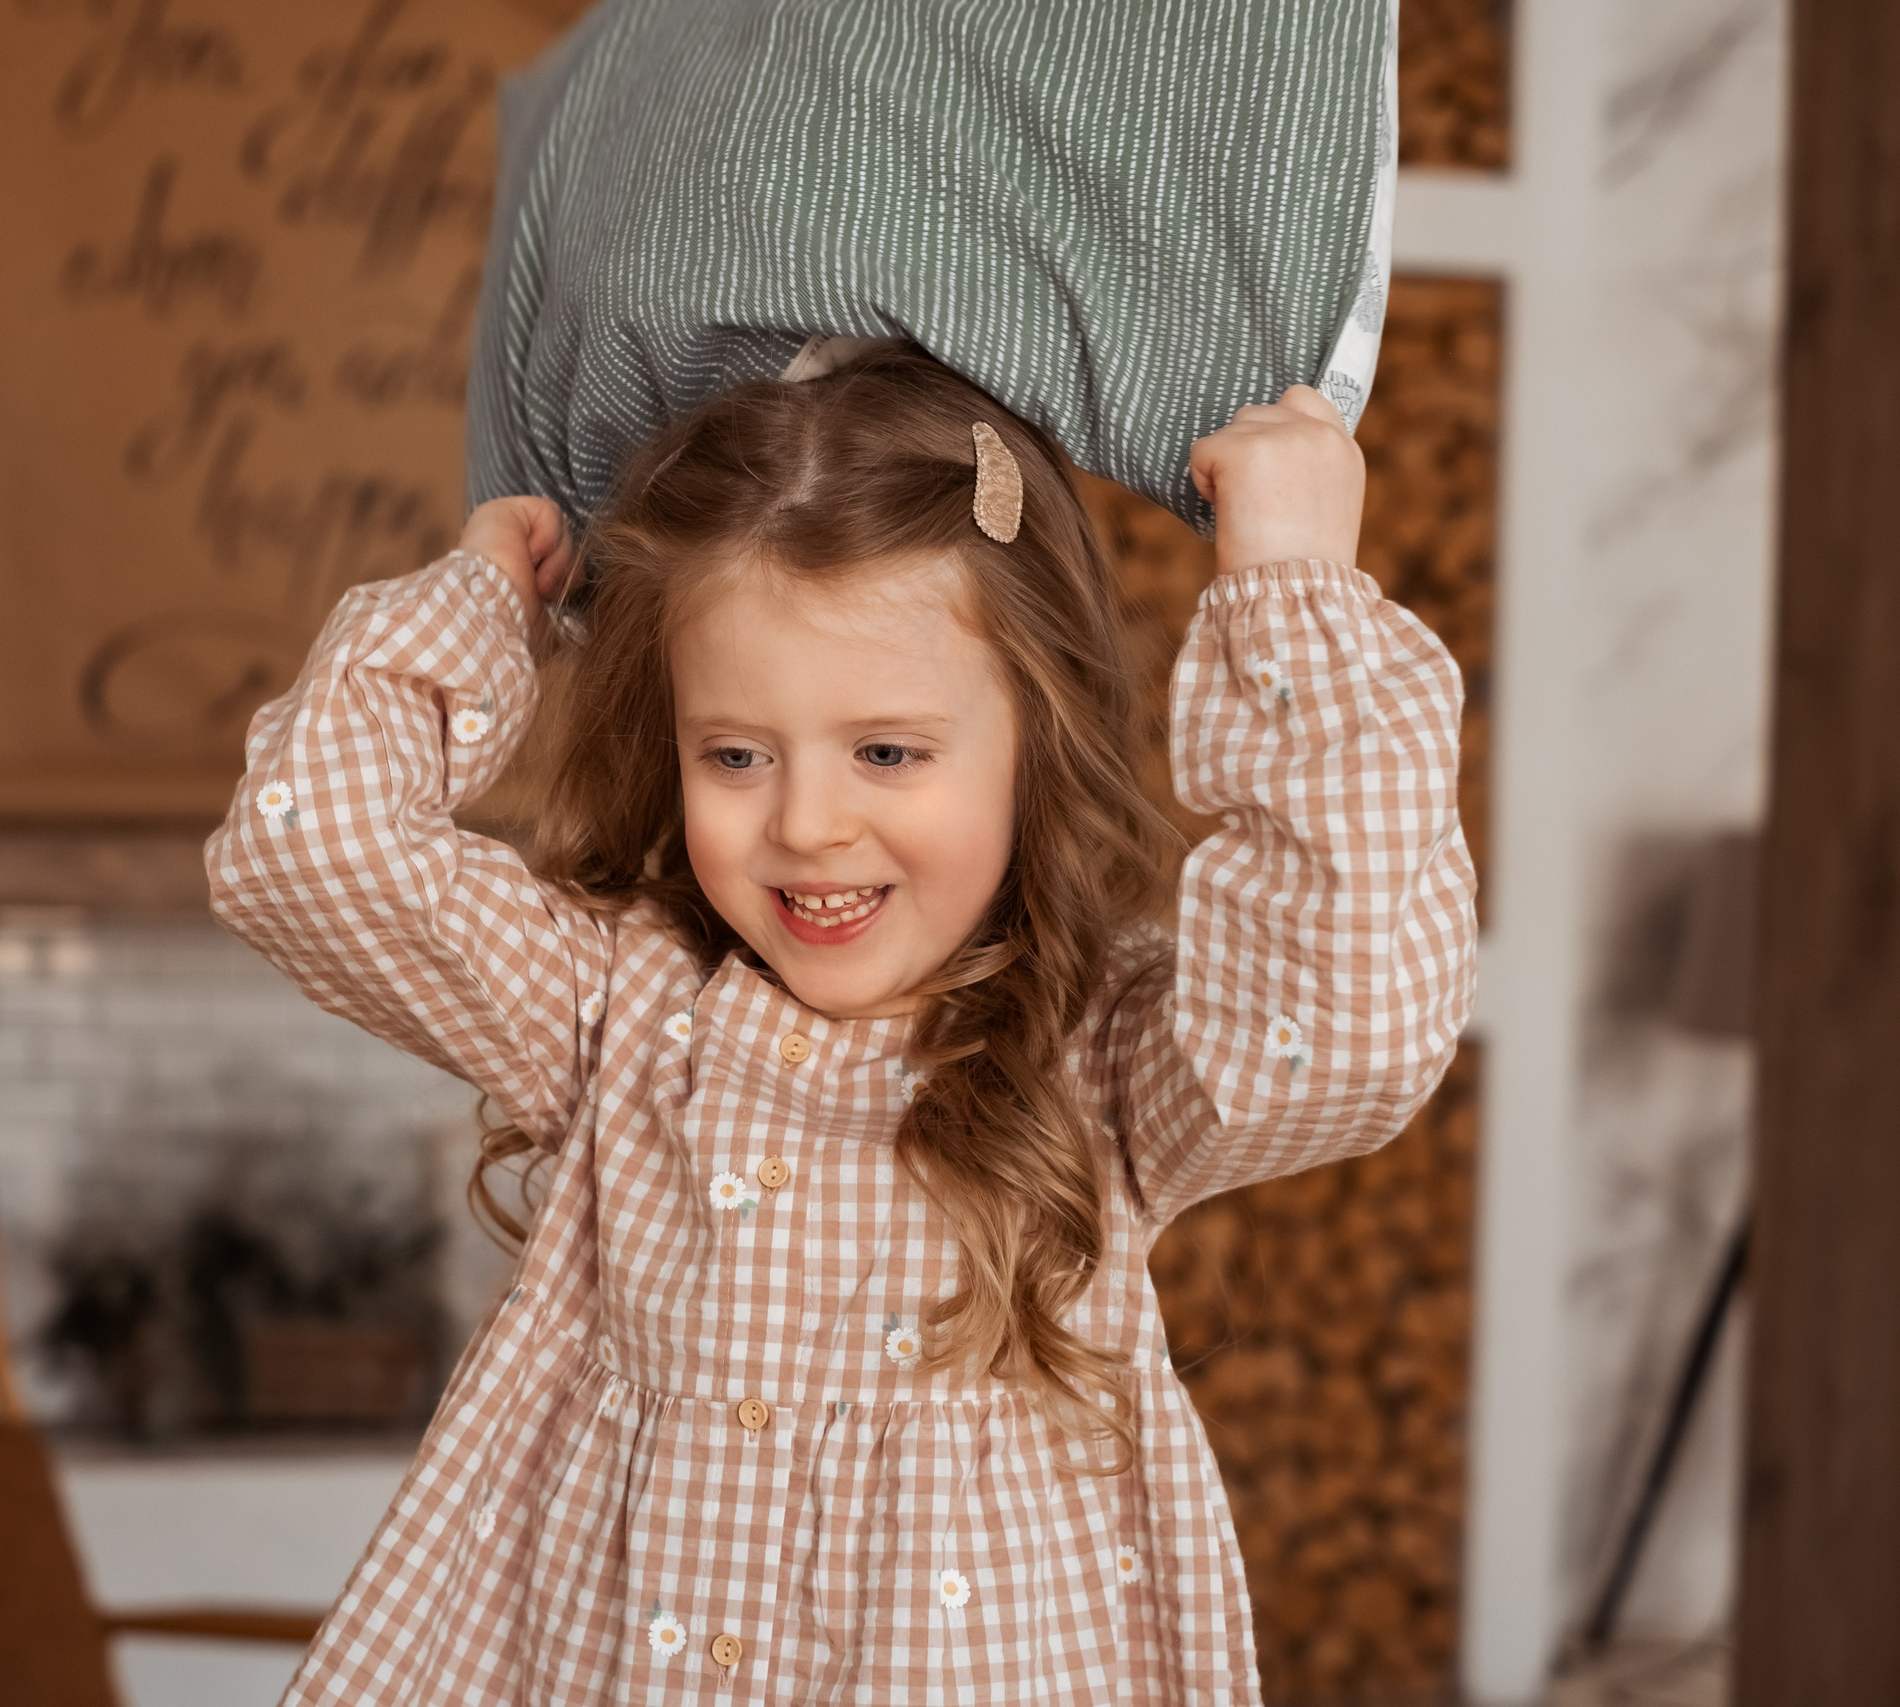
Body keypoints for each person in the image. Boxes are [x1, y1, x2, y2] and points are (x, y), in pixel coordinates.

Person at [206, 345, 1475, 1703]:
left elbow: (1351, 1027)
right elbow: (306, 851)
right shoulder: (614, 1017)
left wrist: (1291, 594)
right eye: (736, 754)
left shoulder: (1097, 1069)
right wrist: (481, 613)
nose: (806, 825)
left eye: (888, 752)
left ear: (1033, 742)